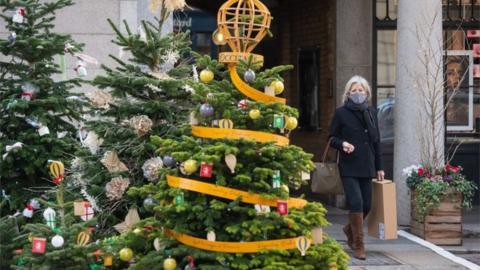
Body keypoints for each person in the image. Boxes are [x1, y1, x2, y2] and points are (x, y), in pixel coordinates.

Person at [328, 75, 384, 260]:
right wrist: (343, 143)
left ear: (366, 93)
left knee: (367, 204)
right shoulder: (341, 113)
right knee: (356, 202)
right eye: (354, 91)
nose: (358, 93)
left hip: (367, 165)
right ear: (348, 93)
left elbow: (377, 142)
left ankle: (348, 229)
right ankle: (358, 245)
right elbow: (331, 138)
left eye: (361, 90)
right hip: (349, 165)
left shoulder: (372, 112)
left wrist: (380, 167)